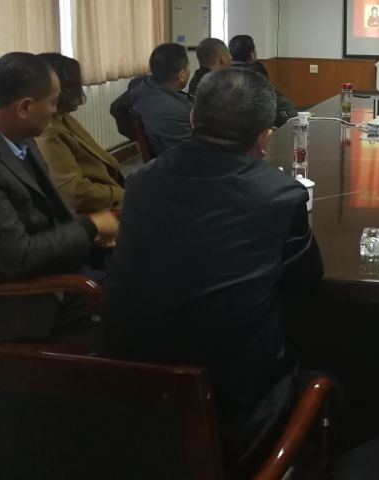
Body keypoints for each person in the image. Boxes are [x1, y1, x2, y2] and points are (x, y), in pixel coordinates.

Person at [103, 67, 322, 474]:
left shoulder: (141, 181)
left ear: (191, 119)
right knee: (333, 380)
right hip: (232, 419)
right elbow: (307, 283)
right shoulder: (279, 194)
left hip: (131, 400)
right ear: (265, 137)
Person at [0, 52, 119, 342]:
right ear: (25, 107)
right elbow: (19, 258)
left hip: (57, 271)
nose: (55, 110)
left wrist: (91, 235)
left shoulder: (15, 137)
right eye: (53, 101)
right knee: (149, 301)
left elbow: (47, 214)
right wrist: (90, 226)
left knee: (153, 269)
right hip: (23, 302)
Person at [35, 53, 125, 213]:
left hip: (110, 193)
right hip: (100, 210)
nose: (80, 93)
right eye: (77, 85)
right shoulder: (47, 132)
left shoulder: (63, 118)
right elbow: (75, 194)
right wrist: (125, 194)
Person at [130, 42, 193, 156]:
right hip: (176, 162)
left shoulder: (140, 87)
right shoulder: (175, 111)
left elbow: (115, 107)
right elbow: (185, 157)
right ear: (182, 74)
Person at [229, 34, 295, 127]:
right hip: (257, 125)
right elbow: (274, 99)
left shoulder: (221, 73)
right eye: (254, 49)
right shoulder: (256, 71)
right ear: (252, 54)